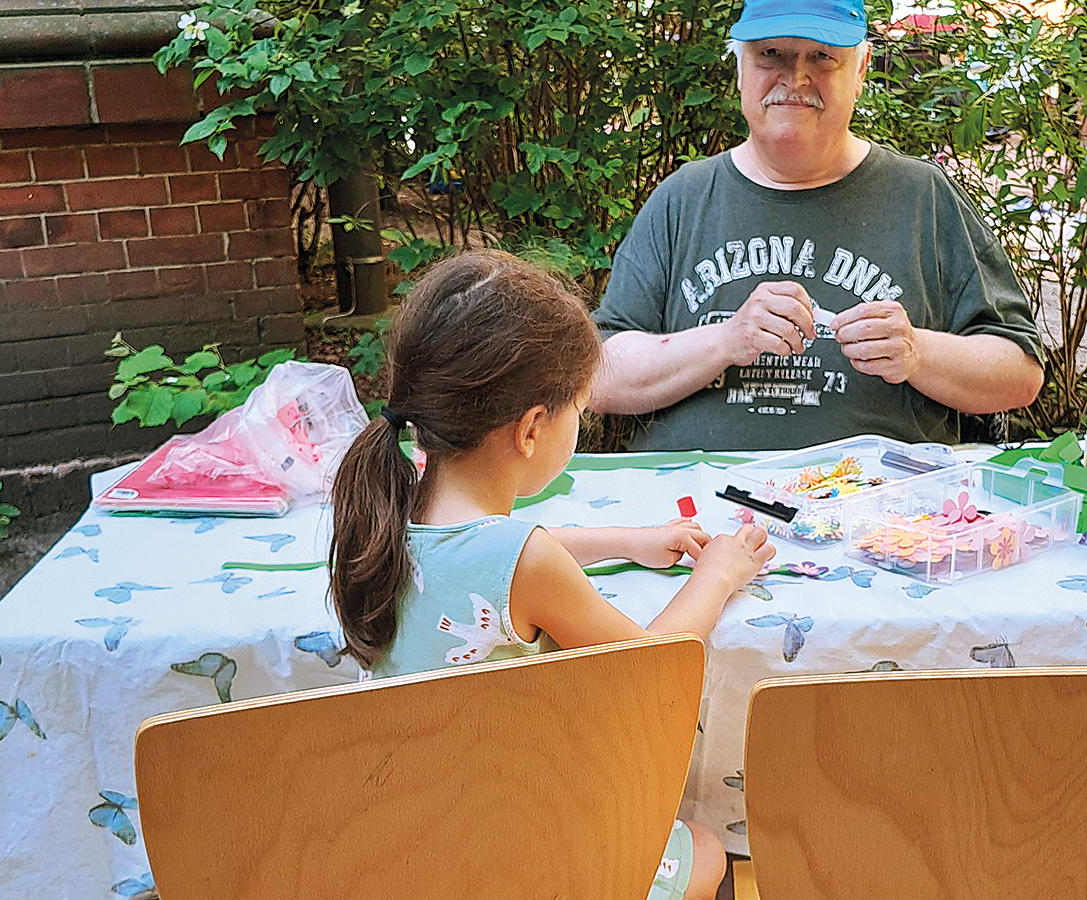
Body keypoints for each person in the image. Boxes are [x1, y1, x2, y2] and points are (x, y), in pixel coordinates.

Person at [329, 249, 775, 900]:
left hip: (421, 845)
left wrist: (629, 539)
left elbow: (493, 555)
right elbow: (657, 661)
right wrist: (719, 573)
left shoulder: (390, 515)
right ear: (533, 429)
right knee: (708, 847)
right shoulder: (525, 559)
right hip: (527, 855)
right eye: (580, 410)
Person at [589, 0, 1044, 451]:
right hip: (694, 520)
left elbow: (1019, 373)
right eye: (771, 54)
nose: (796, 78)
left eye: (822, 57)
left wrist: (918, 353)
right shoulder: (684, 198)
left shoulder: (923, 198)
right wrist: (726, 340)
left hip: (881, 516)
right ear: (740, 68)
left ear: (861, 68)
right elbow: (597, 376)